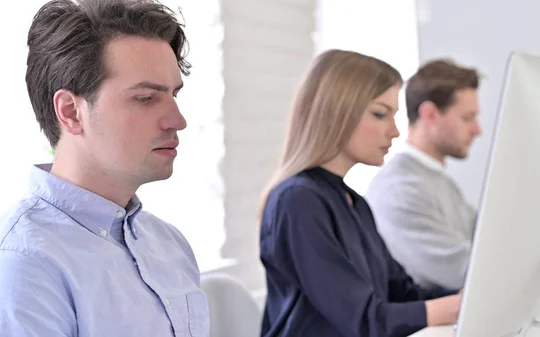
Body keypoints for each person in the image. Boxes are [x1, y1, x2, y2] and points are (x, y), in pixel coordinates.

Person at [0, 1, 208, 336]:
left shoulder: (170, 245)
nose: (178, 121)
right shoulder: (25, 265)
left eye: (174, 95)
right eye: (145, 98)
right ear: (70, 111)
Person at [258, 49, 461, 337]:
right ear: (336, 112)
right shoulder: (298, 201)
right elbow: (364, 321)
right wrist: (456, 306)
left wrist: (471, 295)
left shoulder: (355, 204)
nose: (394, 131)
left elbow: (401, 293)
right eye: (380, 114)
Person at [365, 59, 481, 290]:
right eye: (467, 118)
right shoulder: (400, 190)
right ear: (430, 114)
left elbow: (485, 238)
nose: (477, 130)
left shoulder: (437, 180)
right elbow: (466, 270)